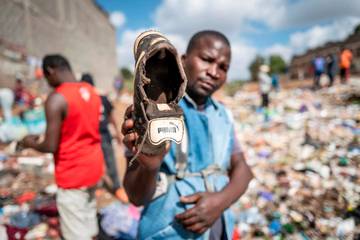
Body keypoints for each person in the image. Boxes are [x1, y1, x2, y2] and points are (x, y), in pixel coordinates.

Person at [122, 30, 253, 239]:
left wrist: (220, 202)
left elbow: (243, 170)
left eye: (223, 67)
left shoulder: (223, 115)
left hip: (219, 230)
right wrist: (150, 167)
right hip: (167, 230)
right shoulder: (154, 110)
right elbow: (136, 197)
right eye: (207, 60)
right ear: (182, 60)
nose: (214, 72)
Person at [19, 54, 104, 240]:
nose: (47, 82)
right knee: (89, 222)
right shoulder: (91, 91)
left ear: (50, 71)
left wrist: (28, 142)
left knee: (76, 233)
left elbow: (50, 145)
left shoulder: (57, 98)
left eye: (46, 77)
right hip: (94, 167)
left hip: (72, 173)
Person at [81, 73, 129, 203]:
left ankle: (117, 187)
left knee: (109, 161)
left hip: (102, 134)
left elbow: (110, 116)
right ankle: (98, 186)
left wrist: (117, 134)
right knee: (95, 162)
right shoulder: (85, 100)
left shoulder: (99, 98)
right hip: (91, 135)